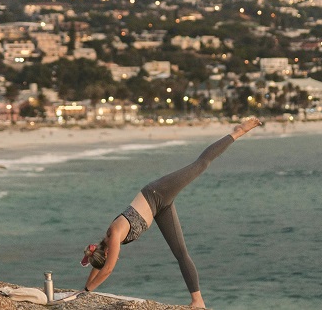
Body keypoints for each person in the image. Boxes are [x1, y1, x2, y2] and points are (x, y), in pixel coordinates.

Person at [80, 117, 263, 308]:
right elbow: (99, 265)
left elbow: (107, 269)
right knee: (181, 253)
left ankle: (239, 131)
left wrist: (86, 292)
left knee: (201, 164)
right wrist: (87, 288)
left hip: (157, 193)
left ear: (106, 251)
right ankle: (198, 301)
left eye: (110, 255)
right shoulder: (108, 243)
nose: (114, 258)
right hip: (160, 210)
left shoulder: (115, 233)